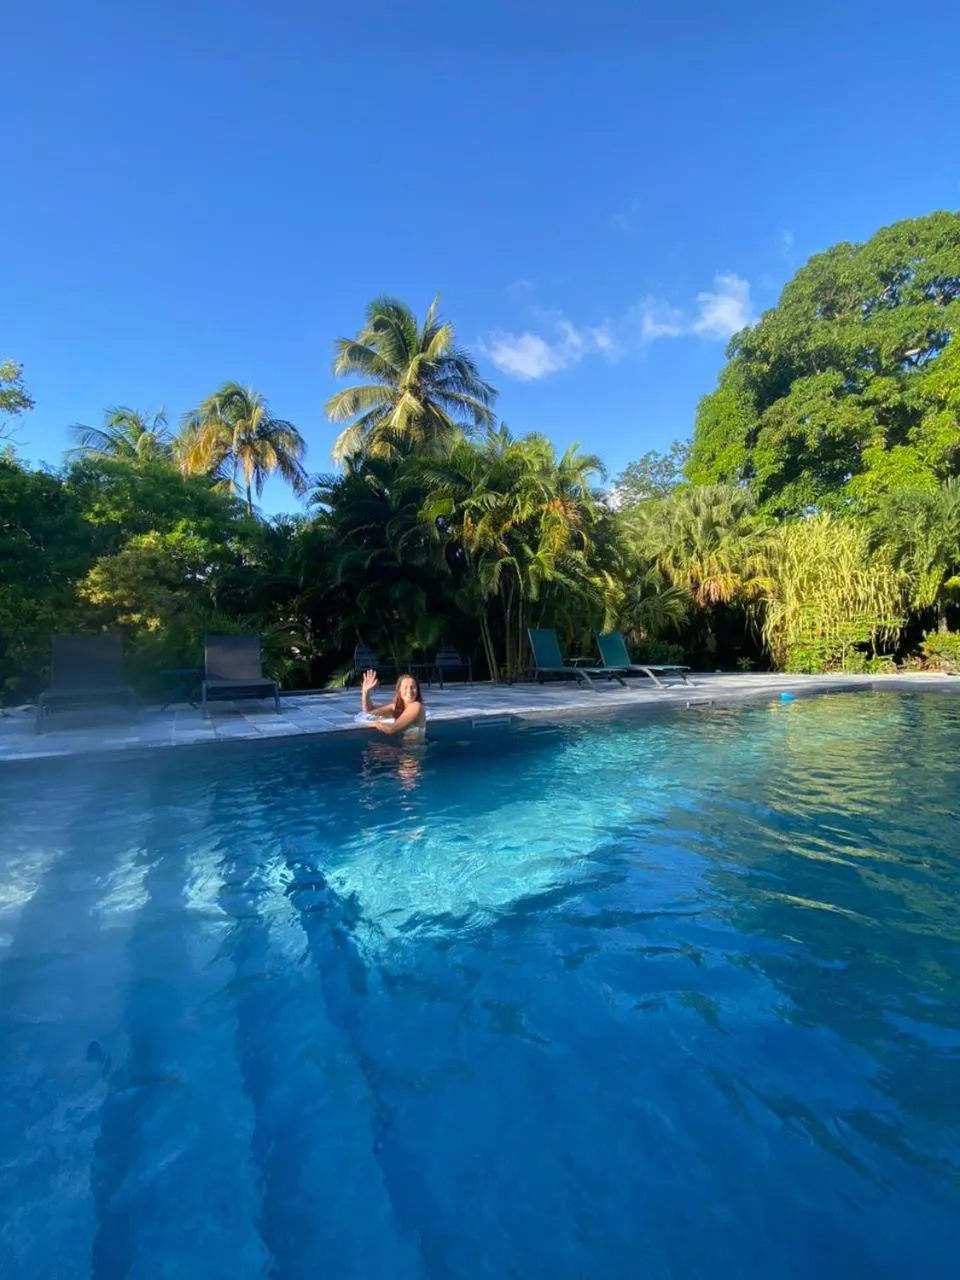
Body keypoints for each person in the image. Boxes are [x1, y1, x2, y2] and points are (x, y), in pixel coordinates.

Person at [359, 669, 426, 739]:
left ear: (417, 690)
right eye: (405, 687)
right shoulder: (396, 707)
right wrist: (365, 692)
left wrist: (376, 723)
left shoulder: (416, 706)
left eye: (413, 687)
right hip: (402, 746)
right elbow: (369, 712)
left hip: (415, 748)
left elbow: (391, 729)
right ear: (399, 691)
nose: (409, 691)